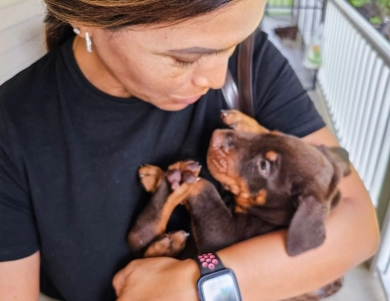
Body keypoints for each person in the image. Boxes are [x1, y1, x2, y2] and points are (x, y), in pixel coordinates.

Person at [0, 0, 379, 300]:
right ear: (90, 20)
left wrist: (198, 284)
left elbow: (358, 224)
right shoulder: (13, 129)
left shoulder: (252, 63)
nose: (215, 79)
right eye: (183, 58)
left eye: (232, 46)